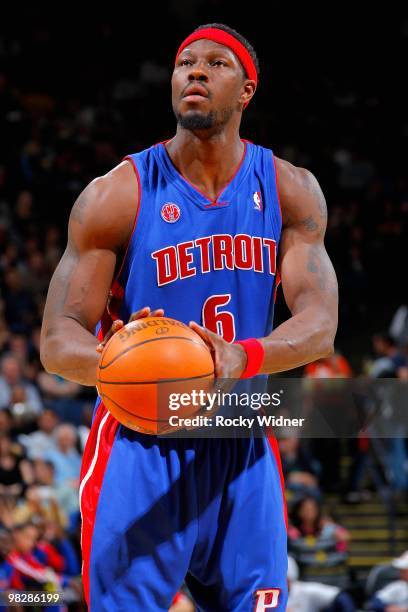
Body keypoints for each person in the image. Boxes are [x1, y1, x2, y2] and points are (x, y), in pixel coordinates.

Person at [40, 23, 338, 611]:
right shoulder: (117, 193)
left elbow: (320, 324)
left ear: (247, 90)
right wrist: (118, 358)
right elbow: (56, 338)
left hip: (241, 433)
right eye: (184, 63)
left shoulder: (290, 189)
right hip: (140, 441)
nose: (195, 72)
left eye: (216, 64)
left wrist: (243, 355)